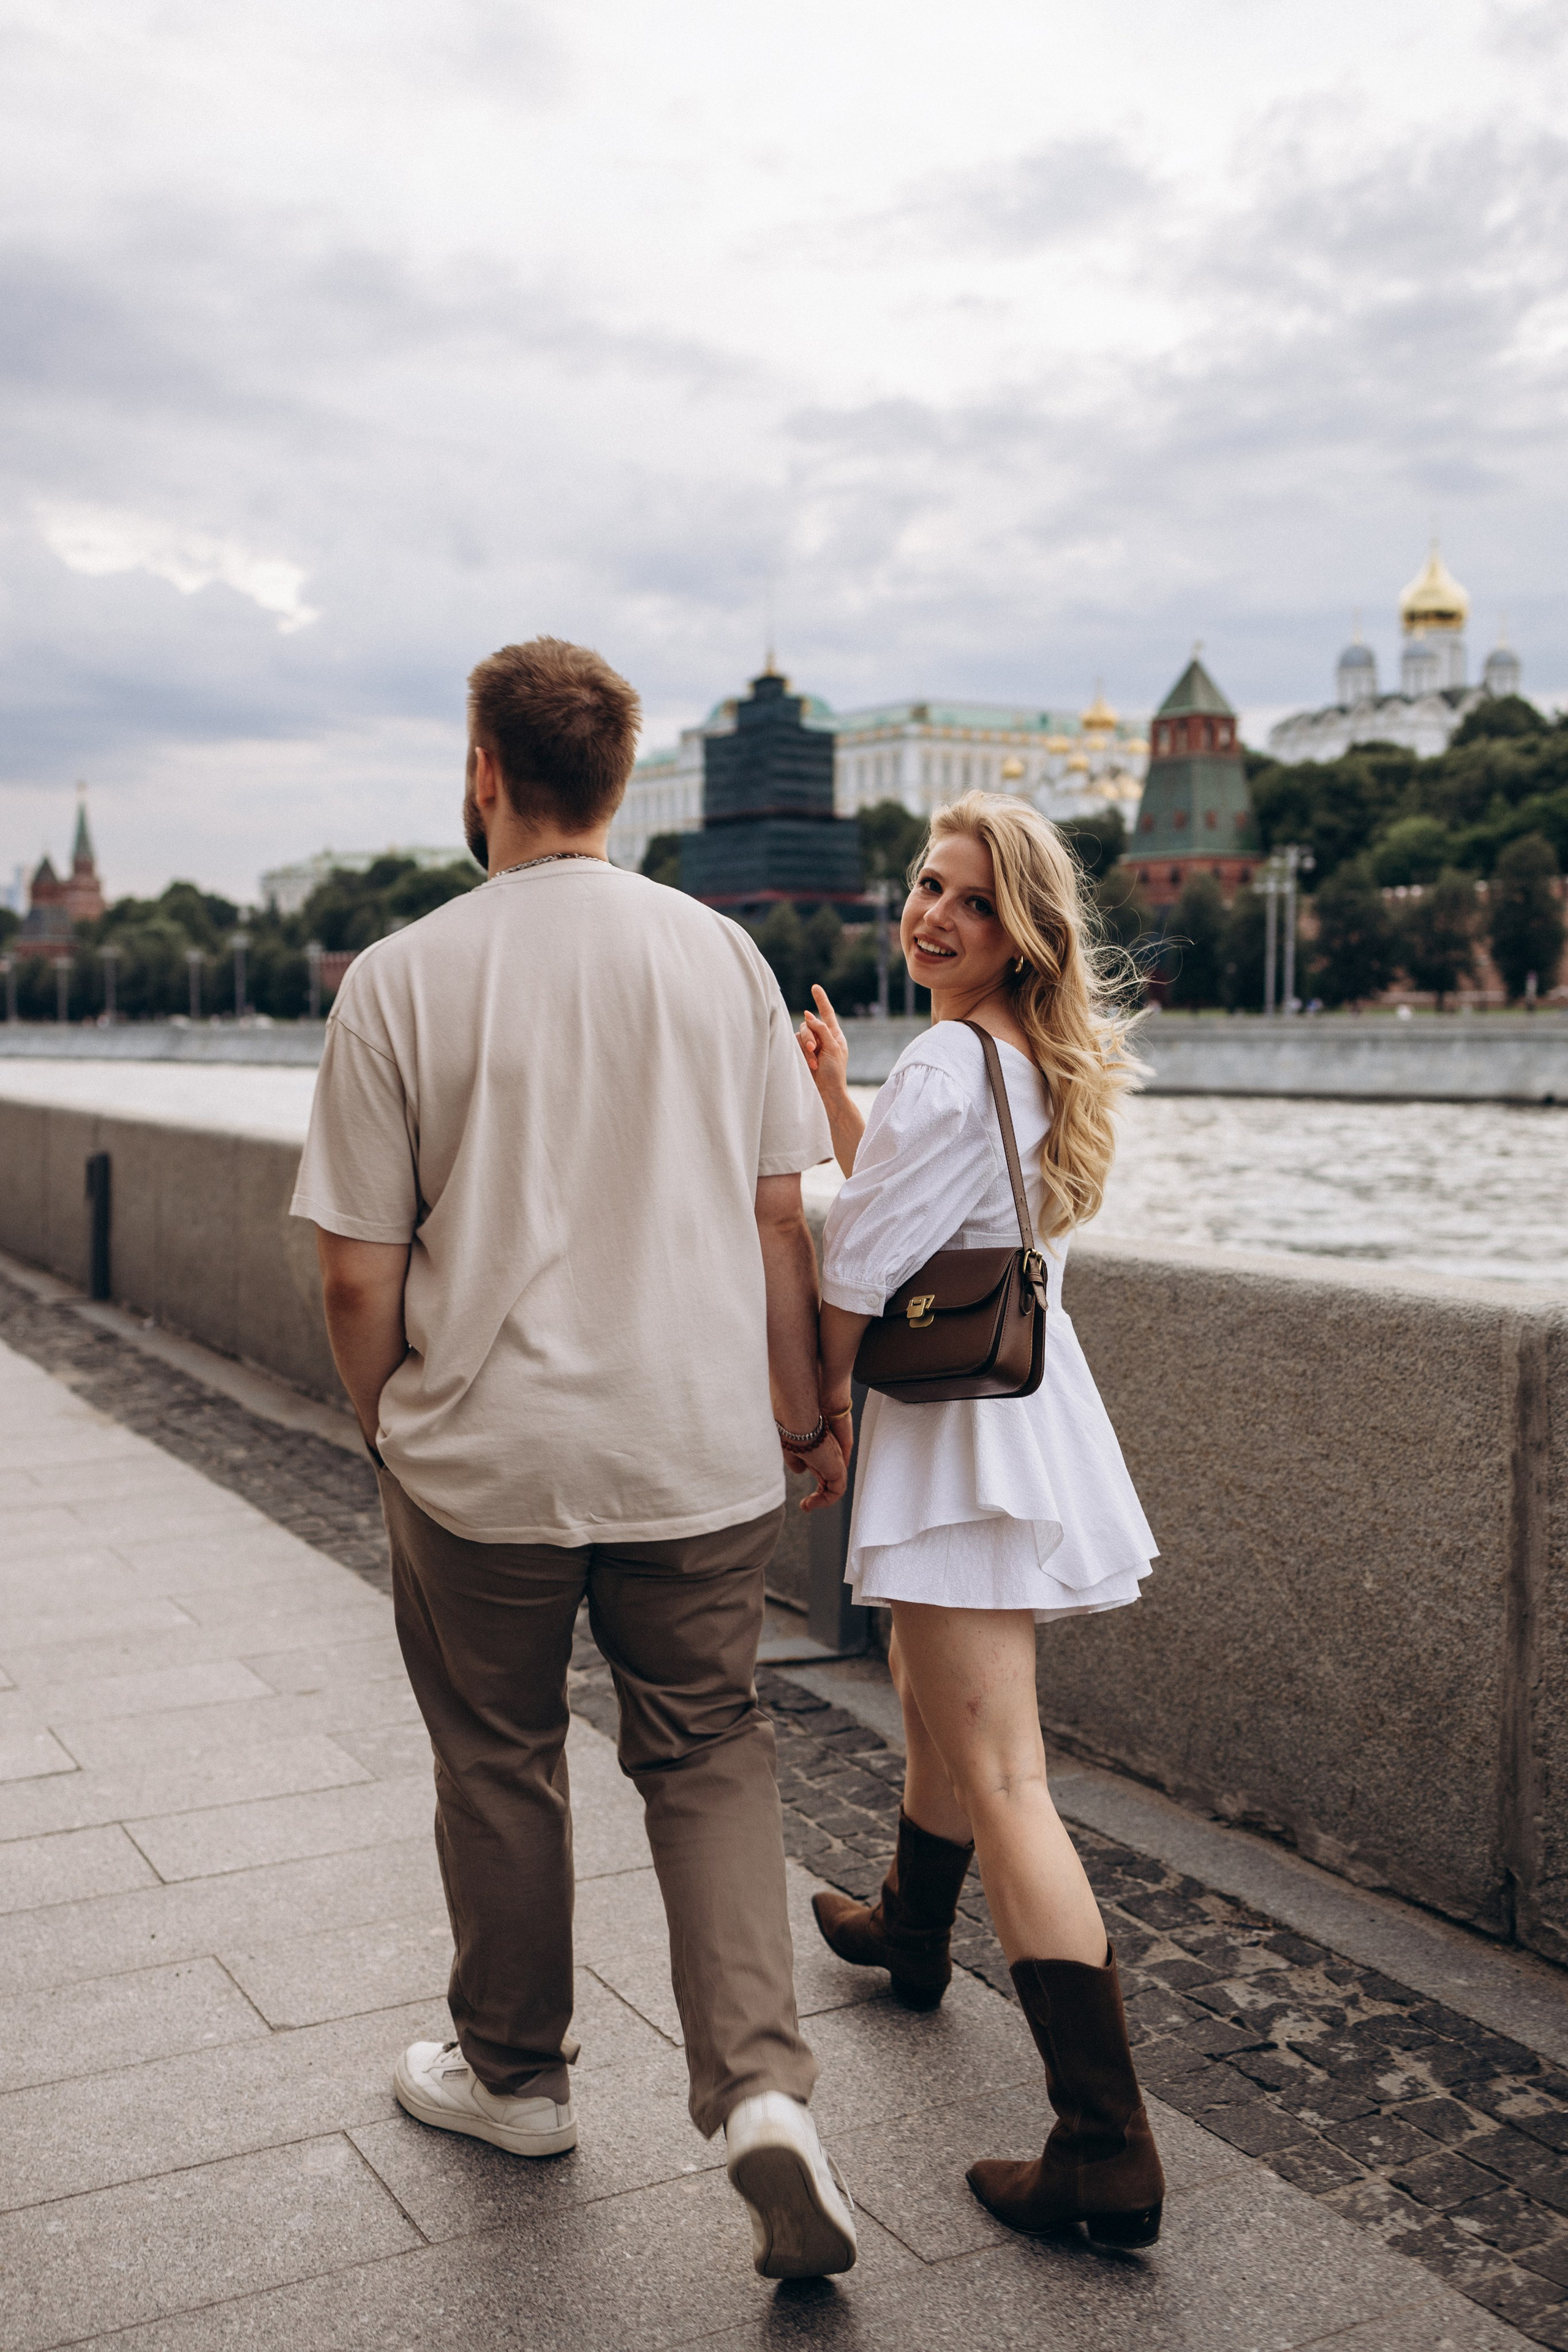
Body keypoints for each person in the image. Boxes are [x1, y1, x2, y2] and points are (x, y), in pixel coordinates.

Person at [292, 636, 858, 2280]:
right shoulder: (721, 960)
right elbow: (779, 1218)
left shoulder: (402, 975)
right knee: (710, 1750)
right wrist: (808, 1410)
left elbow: (351, 1266)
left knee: (498, 1751)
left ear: (484, 771)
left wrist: (387, 1413)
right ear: (618, 784)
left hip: (487, 1453)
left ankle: (518, 2076)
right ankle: (759, 2091)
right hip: (698, 1442)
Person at [796, 790, 1166, 2251]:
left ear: (1018, 934)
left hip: (953, 1440)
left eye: (961, 897)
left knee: (1005, 1769)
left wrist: (817, 1415)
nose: (926, 913)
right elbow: (916, 1201)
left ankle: (1103, 2144)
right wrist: (841, 1097)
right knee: (929, 1691)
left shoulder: (950, 1057)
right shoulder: (1009, 1061)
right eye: (919, 884)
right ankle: (907, 1926)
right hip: (1015, 1417)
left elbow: (858, 1265)